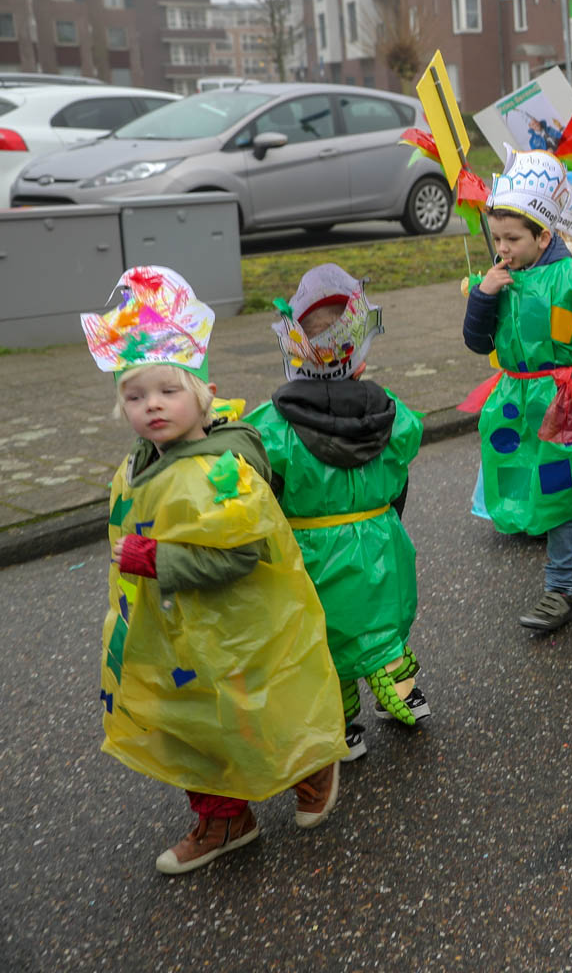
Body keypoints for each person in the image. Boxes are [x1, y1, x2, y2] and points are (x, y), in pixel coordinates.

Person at [84, 267, 346, 874]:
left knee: (253, 708)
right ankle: (225, 819)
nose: (151, 405)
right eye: (134, 396)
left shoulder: (220, 472)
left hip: (236, 624)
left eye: (167, 391)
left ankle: (310, 766)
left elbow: (240, 552)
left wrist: (155, 559)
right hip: (172, 625)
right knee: (189, 722)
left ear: (204, 394)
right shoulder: (146, 459)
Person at [248, 265, 428, 763]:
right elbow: (398, 475)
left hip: (314, 554)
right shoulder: (391, 413)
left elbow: (262, 494)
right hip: (380, 542)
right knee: (382, 626)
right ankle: (403, 691)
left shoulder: (274, 428)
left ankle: (341, 727)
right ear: (360, 360)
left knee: (323, 640)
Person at [465, 150, 572, 634]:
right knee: (564, 487)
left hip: (567, 405)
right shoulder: (499, 281)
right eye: (497, 238)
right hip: (522, 402)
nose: (503, 248)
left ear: (544, 236)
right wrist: (482, 296)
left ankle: (558, 589)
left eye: (513, 239)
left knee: (554, 488)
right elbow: (477, 341)